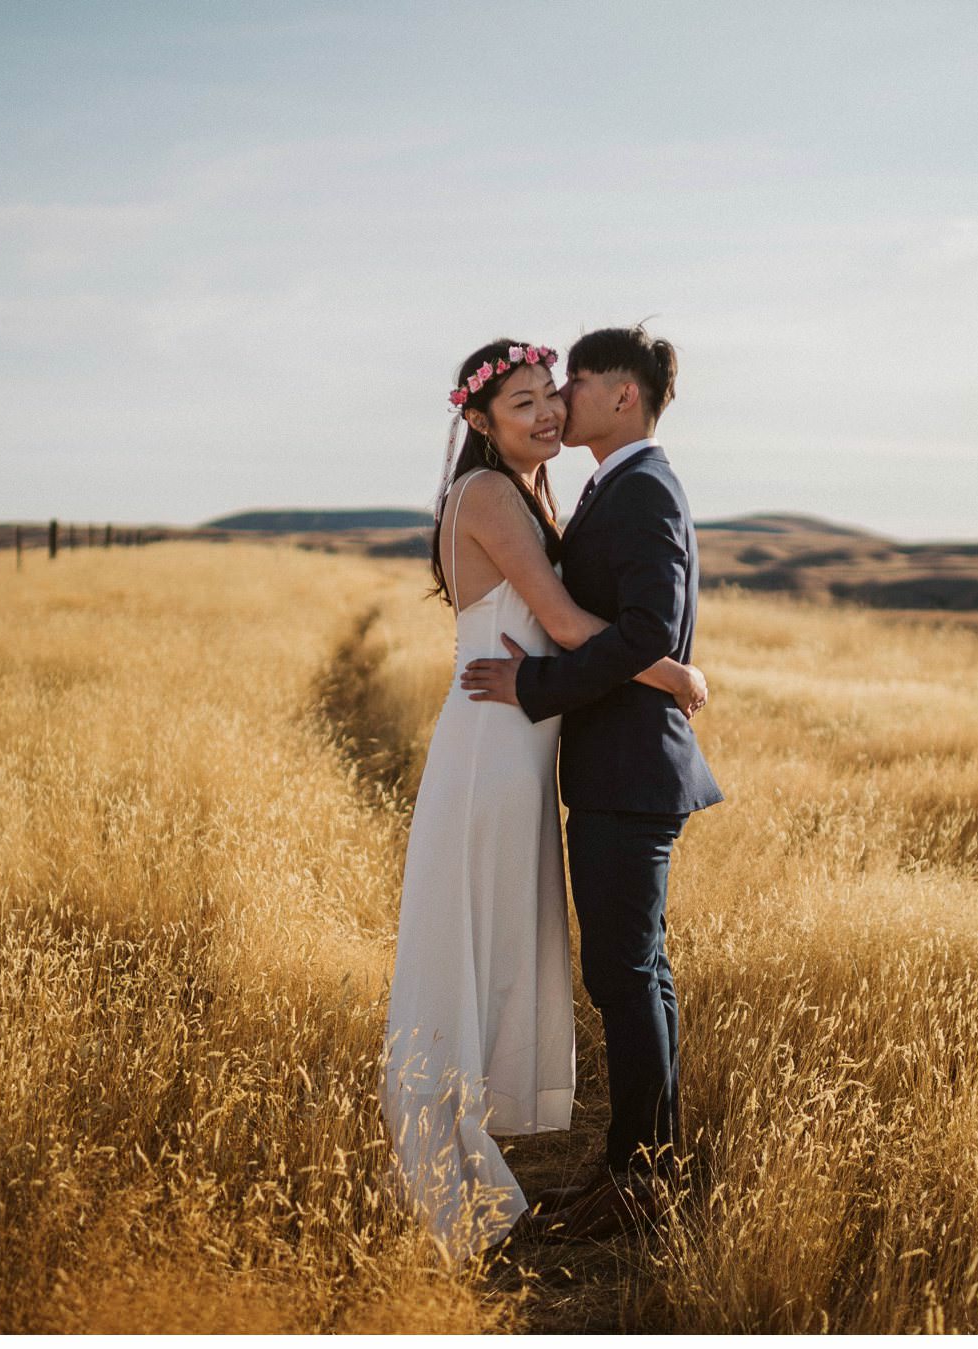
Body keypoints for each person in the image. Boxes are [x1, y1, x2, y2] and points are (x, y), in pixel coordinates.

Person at [382, 338, 708, 1259]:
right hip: (493, 743)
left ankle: (588, 1161)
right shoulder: (489, 493)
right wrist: (672, 673)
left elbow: (560, 635)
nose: (548, 412)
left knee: (505, 941)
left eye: (550, 396)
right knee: (472, 940)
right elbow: (564, 625)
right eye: (525, 403)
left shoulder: (534, 492)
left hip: (520, 744)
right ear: (480, 422)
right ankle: (454, 1165)